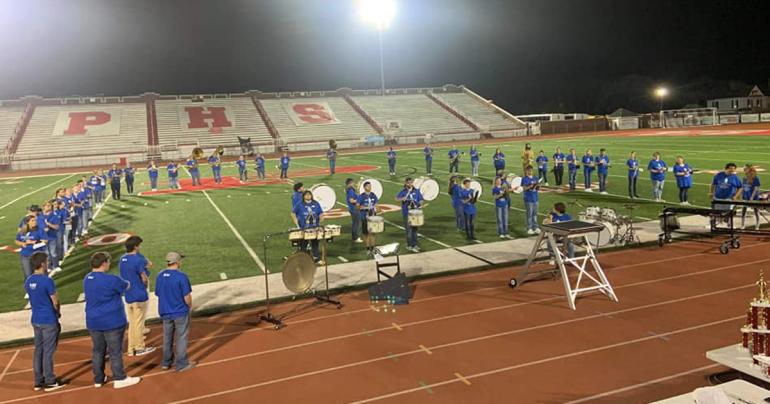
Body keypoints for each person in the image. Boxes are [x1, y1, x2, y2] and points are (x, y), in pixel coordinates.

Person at [83, 252, 141, 389]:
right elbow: (126, 285)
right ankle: (119, 378)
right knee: (115, 351)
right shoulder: (110, 279)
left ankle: (98, 378)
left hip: (93, 321)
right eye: (108, 262)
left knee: (98, 351)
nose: (109, 264)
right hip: (112, 321)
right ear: (104, 263)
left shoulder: (87, 278)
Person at [25, 252, 66, 392]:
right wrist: (58, 313)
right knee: (48, 351)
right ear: (42, 263)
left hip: (36, 319)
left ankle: (38, 381)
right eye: (47, 261)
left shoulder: (28, 281)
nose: (48, 263)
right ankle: (50, 380)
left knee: (38, 351)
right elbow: (55, 301)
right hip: (48, 319)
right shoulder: (47, 281)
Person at [155, 252, 196, 372]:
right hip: (179, 312)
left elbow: (158, 293)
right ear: (177, 262)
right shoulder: (181, 276)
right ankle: (182, 363)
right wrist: (190, 306)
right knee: (181, 337)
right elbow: (187, 297)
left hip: (164, 311)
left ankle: (166, 362)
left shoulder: (160, 275)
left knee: (167, 337)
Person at [119, 236, 156, 357]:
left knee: (133, 323)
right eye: (139, 245)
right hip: (139, 294)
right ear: (135, 246)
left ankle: (131, 349)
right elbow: (144, 277)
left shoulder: (122, 259)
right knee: (139, 323)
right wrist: (145, 283)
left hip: (128, 294)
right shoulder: (138, 260)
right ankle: (139, 347)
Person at [291, 191, 325, 263]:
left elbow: (321, 212)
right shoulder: (300, 204)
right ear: (303, 196)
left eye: (309, 194)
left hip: (315, 227)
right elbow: (293, 213)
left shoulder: (316, 203)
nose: (308, 196)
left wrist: (321, 217)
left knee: (315, 243)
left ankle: (316, 258)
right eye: (306, 195)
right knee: (303, 244)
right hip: (304, 227)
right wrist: (297, 223)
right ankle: (302, 259)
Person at [16, 215, 47, 282]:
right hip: (25, 255)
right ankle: (30, 289)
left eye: (35, 220)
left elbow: (45, 240)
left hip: (37, 255)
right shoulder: (22, 231)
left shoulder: (39, 230)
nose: (35, 222)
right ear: (27, 222)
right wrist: (23, 243)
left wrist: (34, 242)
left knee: (41, 273)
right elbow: (17, 241)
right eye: (32, 221)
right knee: (28, 274)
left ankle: (42, 287)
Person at [396, 177, 424, 253]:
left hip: (415, 213)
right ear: (405, 183)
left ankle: (415, 244)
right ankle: (409, 245)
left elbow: (421, 200)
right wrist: (403, 199)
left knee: (415, 230)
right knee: (409, 230)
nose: (410, 184)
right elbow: (397, 198)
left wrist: (420, 204)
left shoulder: (417, 191)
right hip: (407, 213)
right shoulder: (403, 191)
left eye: (411, 182)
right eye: (408, 183)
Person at [358, 181, 379, 255]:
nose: (370, 187)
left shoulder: (373, 195)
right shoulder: (361, 196)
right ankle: (367, 248)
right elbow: (357, 206)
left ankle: (373, 247)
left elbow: (376, 204)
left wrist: (377, 209)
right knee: (366, 233)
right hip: (364, 216)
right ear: (364, 187)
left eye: (370, 186)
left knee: (373, 233)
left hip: (373, 216)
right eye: (368, 186)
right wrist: (362, 207)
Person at [41, 201, 61, 273]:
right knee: (46, 254)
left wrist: (49, 224)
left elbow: (57, 227)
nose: (48, 207)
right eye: (46, 206)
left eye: (49, 206)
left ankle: (56, 265)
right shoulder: (40, 216)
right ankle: (48, 266)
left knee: (53, 252)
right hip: (43, 238)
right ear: (43, 207)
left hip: (52, 236)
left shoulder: (54, 216)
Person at [521, 166, 541, 235]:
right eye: (528, 170)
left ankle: (535, 227)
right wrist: (530, 186)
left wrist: (538, 186)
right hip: (528, 199)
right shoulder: (524, 179)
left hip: (535, 198)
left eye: (531, 170)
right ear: (526, 171)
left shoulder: (535, 178)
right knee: (529, 214)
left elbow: (537, 188)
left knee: (535, 214)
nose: (530, 172)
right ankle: (529, 228)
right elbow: (523, 189)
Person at [741, 165, 761, 229]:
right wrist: (742, 196)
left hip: (754, 197)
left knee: (756, 210)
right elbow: (743, 188)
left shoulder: (756, 178)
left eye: (745, 169)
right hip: (746, 196)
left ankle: (757, 224)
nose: (744, 170)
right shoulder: (744, 178)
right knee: (743, 210)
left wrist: (752, 197)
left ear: (749, 170)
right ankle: (742, 224)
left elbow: (756, 188)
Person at [345, 179, 362, 243]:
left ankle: (354, 237)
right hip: (354, 208)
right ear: (350, 183)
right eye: (353, 183)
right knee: (356, 223)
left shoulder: (349, 189)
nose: (354, 184)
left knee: (355, 223)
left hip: (352, 208)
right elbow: (351, 200)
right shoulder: (351, 191)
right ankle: (356, 237)